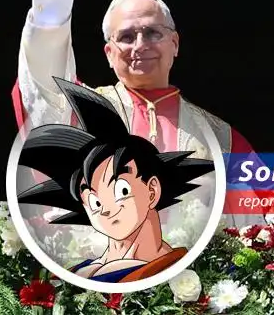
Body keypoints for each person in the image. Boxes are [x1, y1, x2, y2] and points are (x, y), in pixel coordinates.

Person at [11, 0, 266, 227]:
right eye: (127, 37)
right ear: (108, 53)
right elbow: (41, 82)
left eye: (153, 33)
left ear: (175, 43)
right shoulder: (82, 111)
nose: (140, 45)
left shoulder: (220, 136)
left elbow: (272, 210)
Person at [17, 79, 214, 283]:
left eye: (122, 190)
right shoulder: (73, 273)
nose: (106, 210)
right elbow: (40, 87)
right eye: (95, 202)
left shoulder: (174, 268)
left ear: (152, 191)